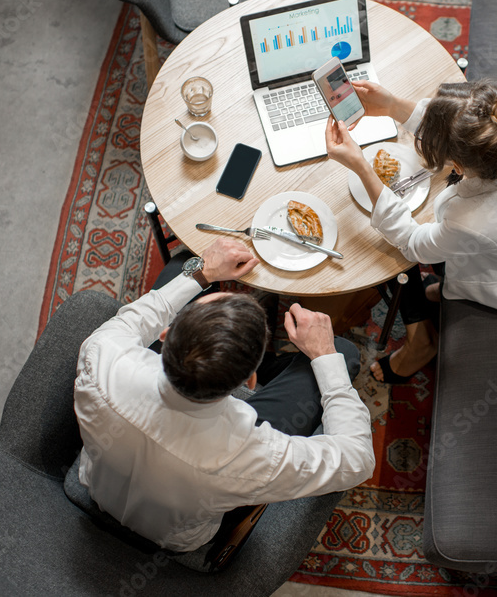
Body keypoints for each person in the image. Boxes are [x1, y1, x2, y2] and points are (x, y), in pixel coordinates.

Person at [73, 237, 375, 554]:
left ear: (165, 335)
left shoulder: (102, 357)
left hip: (100, 487)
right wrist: (325, 354)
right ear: (249, 381)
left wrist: (202, 273)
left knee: (180, 264)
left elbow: (142, 315)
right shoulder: (254, 456)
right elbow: (357, 458)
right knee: (344, 351)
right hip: (177, 538)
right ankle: (296, 361)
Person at [325, 79, 497, 382]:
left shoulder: (475, 220)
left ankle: (421, 341)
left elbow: (412, 243)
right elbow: (466, 126)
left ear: (457, 165)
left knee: (393, 258)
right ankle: (439, 292)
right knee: (431, 269)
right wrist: (392, 106)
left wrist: (361, 166)